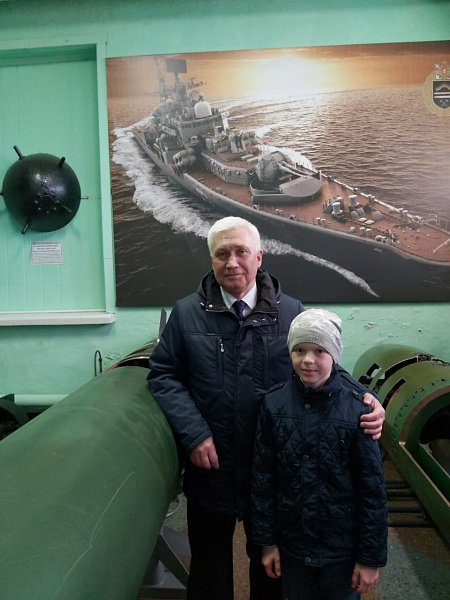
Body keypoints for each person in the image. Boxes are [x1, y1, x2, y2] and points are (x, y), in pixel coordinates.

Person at [147, 216, 385, 600]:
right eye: (222, 254)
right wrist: (194, 433)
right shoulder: (187, 314)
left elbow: (323, 364)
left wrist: (366, 397)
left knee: (270, 568)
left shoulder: (290, 312)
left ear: (259, 257)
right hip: (213, 468)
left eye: (241, 252)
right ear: (211, 259)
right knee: (209, 567)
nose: (232, 262)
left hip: (275, 471)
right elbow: (163, 375)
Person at [251, 308, 388, 600]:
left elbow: (372, 491)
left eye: (319, 351)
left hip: (341, 550)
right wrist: (267, 543)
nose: (308, 360)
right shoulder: (273, 405)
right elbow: (263, 480)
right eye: (299, 350)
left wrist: (370, 557)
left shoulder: (359, 411)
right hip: (293, 547)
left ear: (334, 355)